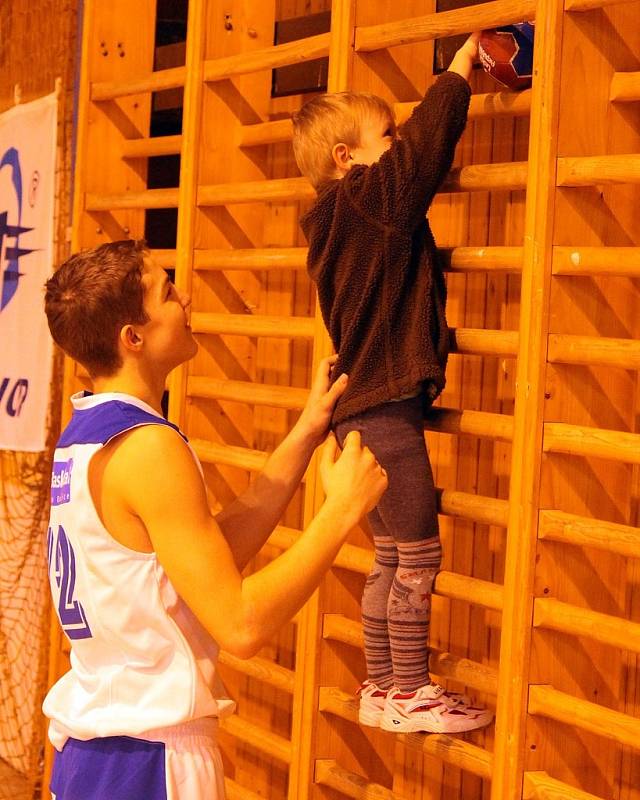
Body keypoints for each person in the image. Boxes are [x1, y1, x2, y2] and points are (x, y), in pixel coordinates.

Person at [43, 239, 388, 800]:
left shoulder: (85, 436)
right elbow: (242, 625)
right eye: (168, 292)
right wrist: (341, 512)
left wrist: (305, 434)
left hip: (95, 756)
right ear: (133, 336)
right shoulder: (148, 447)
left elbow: (199, 563)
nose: (186, 299)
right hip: (151, 763)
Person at [291, 33, 493, 735]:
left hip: (360, 412)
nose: (398, 141)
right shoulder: (367, 200)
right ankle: (409, 689)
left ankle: (383, 685)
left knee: (390, 555)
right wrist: (457, 74)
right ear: (348, 161)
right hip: (383, 415)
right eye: (386, 134)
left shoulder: (332, 220)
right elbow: (421, 156)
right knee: (418, 556)